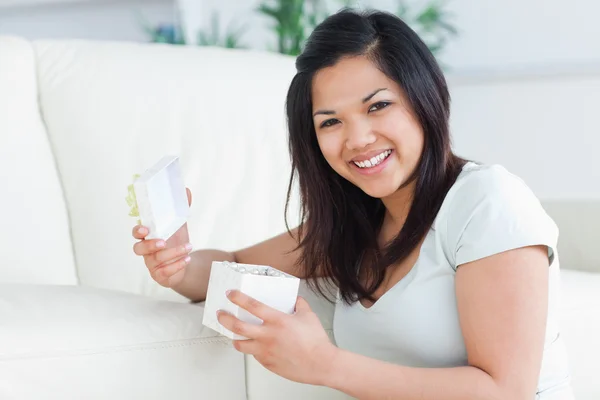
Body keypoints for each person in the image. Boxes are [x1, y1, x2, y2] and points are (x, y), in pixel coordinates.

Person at [131, 8, 573, 400]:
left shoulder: (487, 202)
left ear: (426, 98)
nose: (357, 139)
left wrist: (324, 364)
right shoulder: (355, 225)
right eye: (331, 122)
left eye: (378, 106)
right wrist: (177, 263)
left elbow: (505, 392)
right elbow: (231, 263)